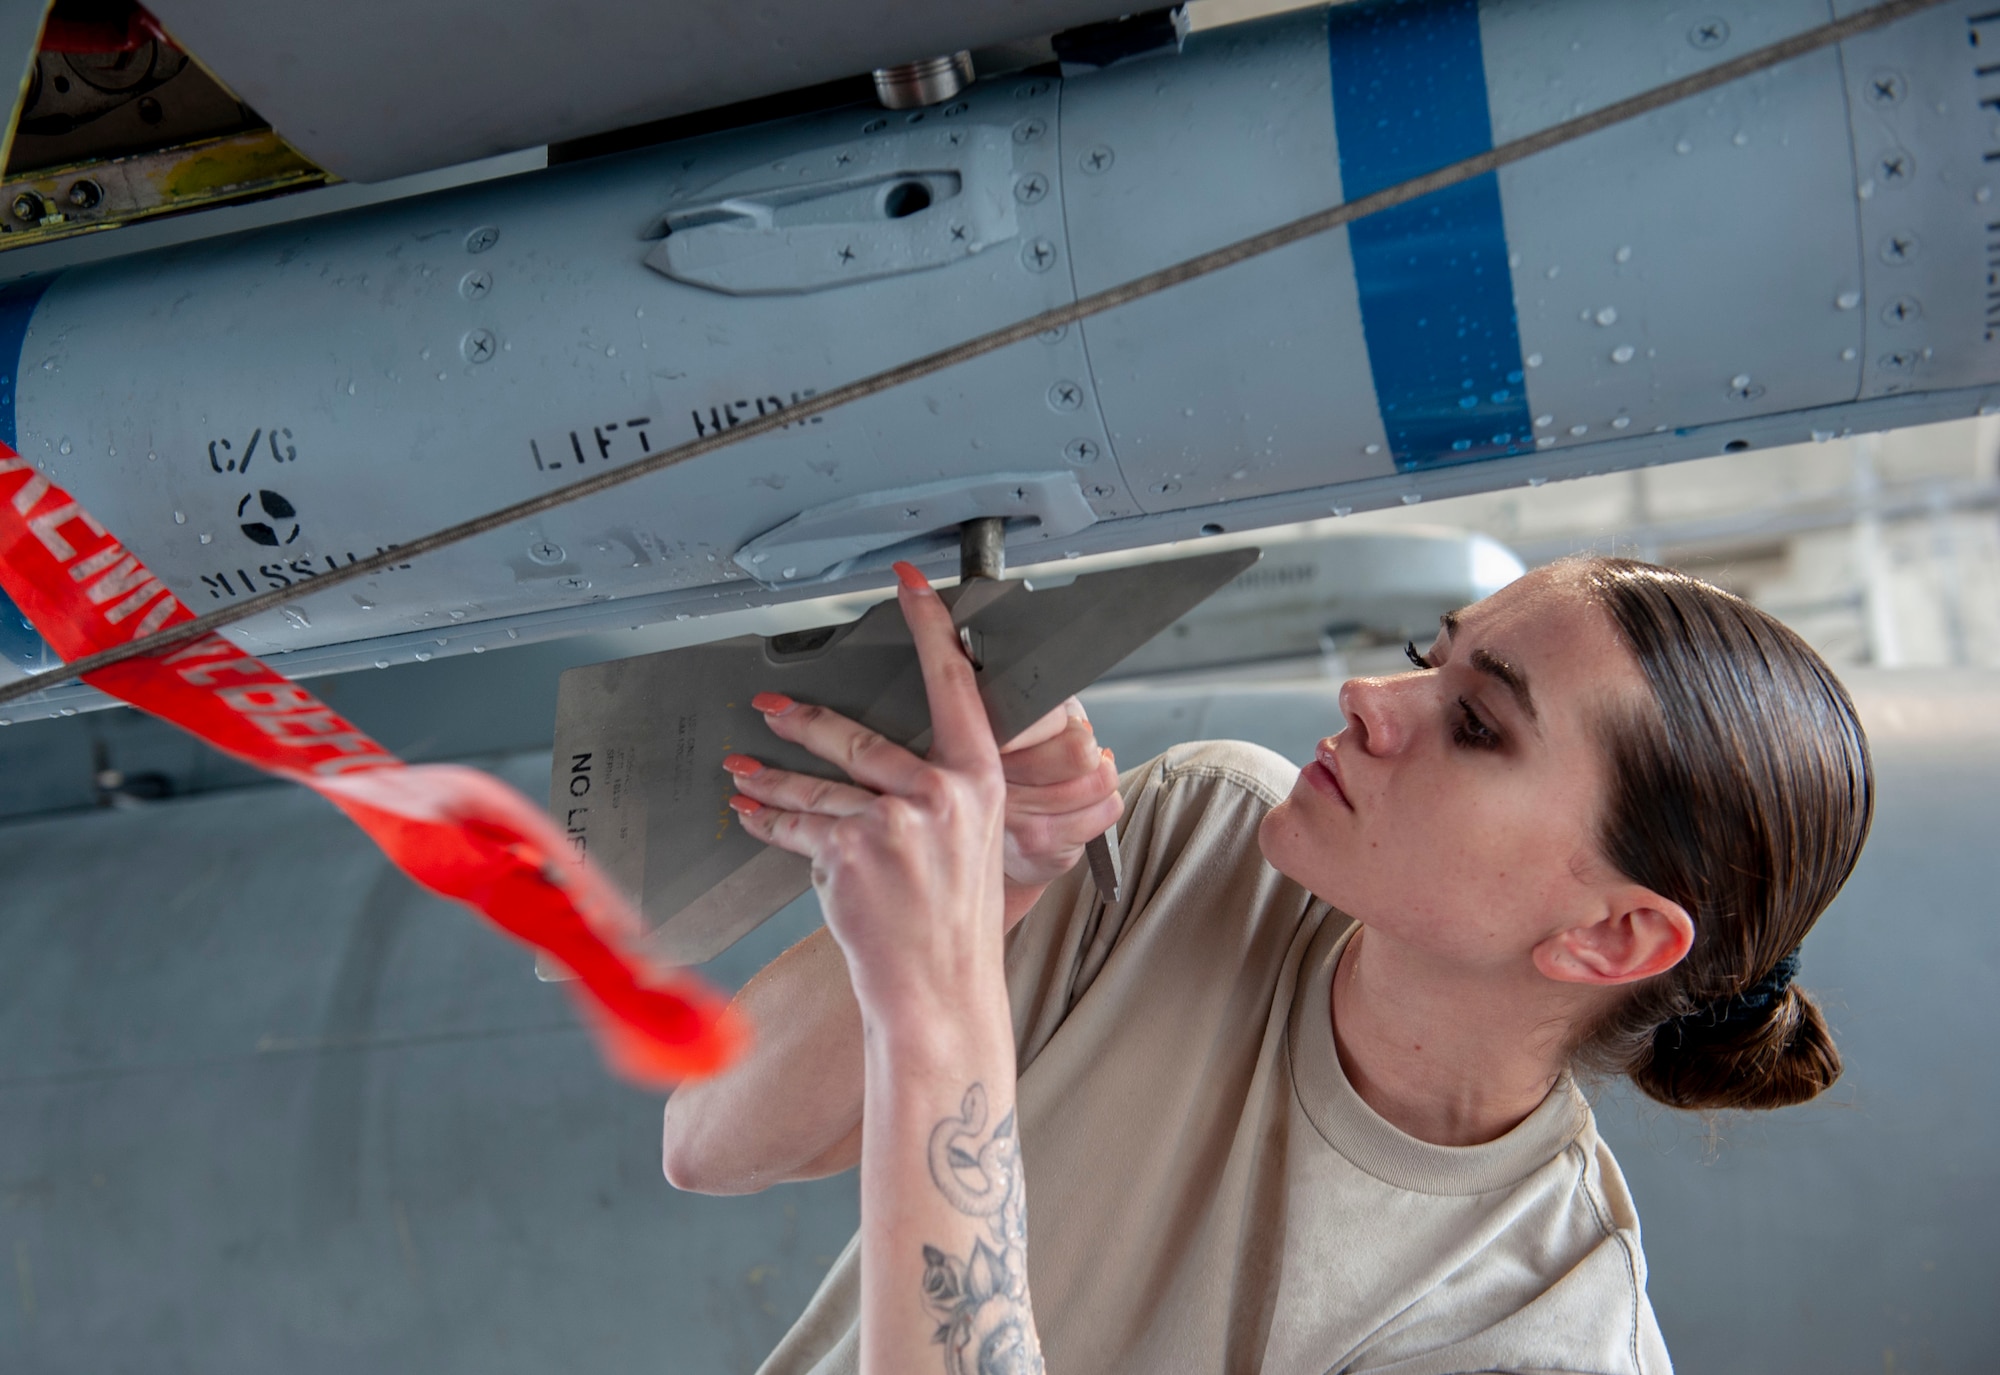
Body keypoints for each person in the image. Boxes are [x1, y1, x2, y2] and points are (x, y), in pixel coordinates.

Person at [660, 555, 1872, 1375]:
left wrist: (935, 1011)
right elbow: (713, 1140)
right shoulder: (1205, 835)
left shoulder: (1532, 1334)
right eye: (1426, 654)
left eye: (1475, 724)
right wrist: (998, 887)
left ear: (1610, 936)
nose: (1371, 696)